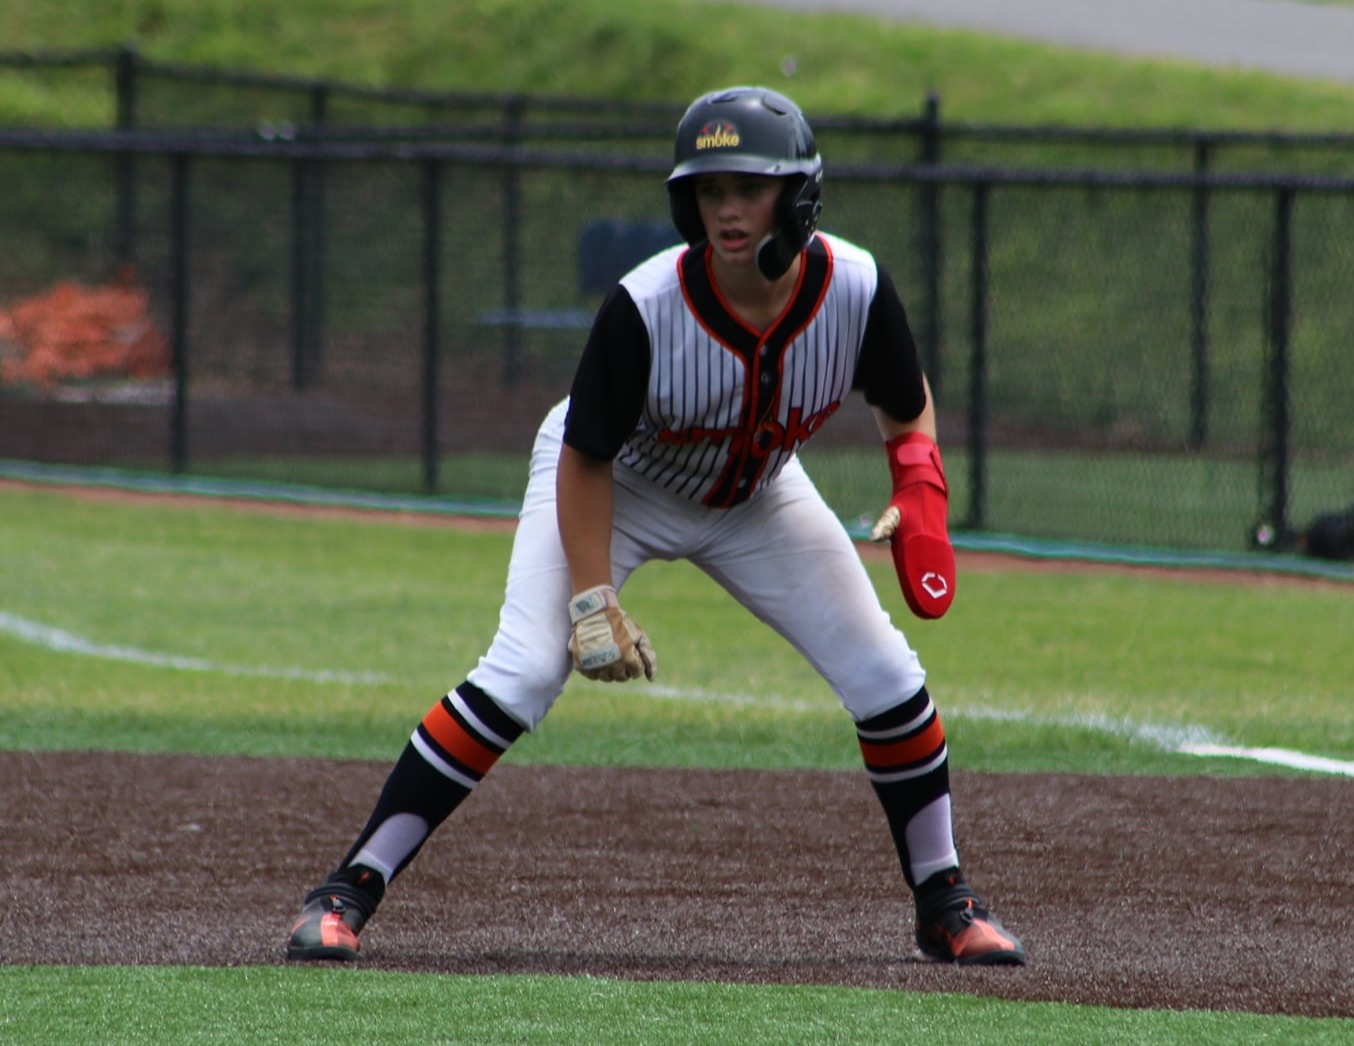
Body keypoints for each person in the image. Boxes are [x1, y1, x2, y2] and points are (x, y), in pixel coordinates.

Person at [285, 85, 1026, 967]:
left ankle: (945, 902)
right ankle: (346, 891)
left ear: (797, 195)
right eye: (709, 190)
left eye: (748, 188)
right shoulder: (646, 305)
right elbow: (585, 455)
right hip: (618, 484)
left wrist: (920, 488)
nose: (727, 210)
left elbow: (906, 408)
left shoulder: (857, 288)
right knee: (523, 672)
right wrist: (592, 596)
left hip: (758, 495)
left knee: (887, 676)